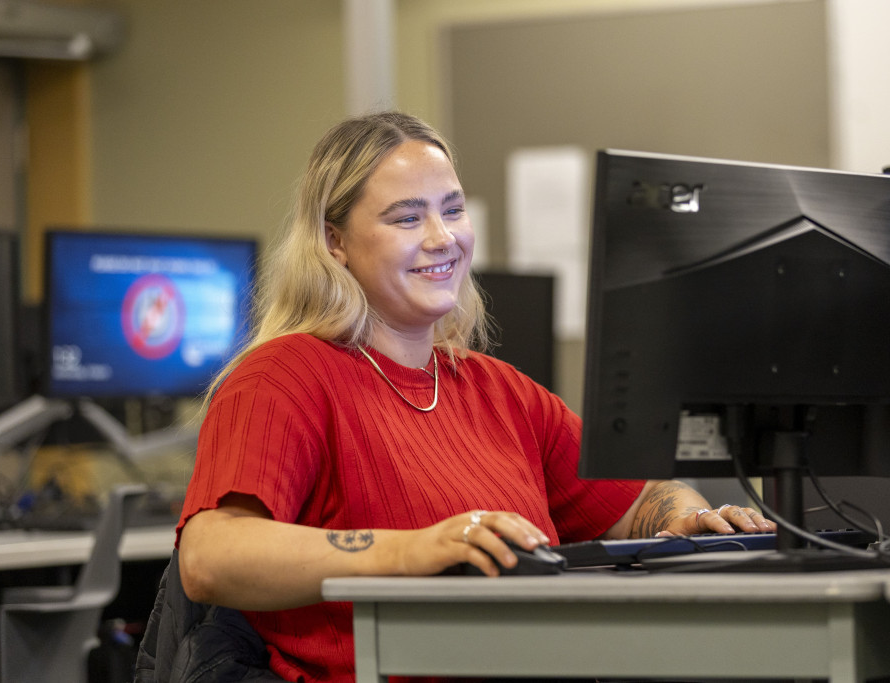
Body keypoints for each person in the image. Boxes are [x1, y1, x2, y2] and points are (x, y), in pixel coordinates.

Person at [177, 111, 775, 683]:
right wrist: (415, 551)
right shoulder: (282, 377)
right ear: (335, 241)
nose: (443, 238)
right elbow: (211, 557)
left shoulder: (497, 389)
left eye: (453, 210)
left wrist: (686, 518)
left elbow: (639, 497)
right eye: (407, 218)